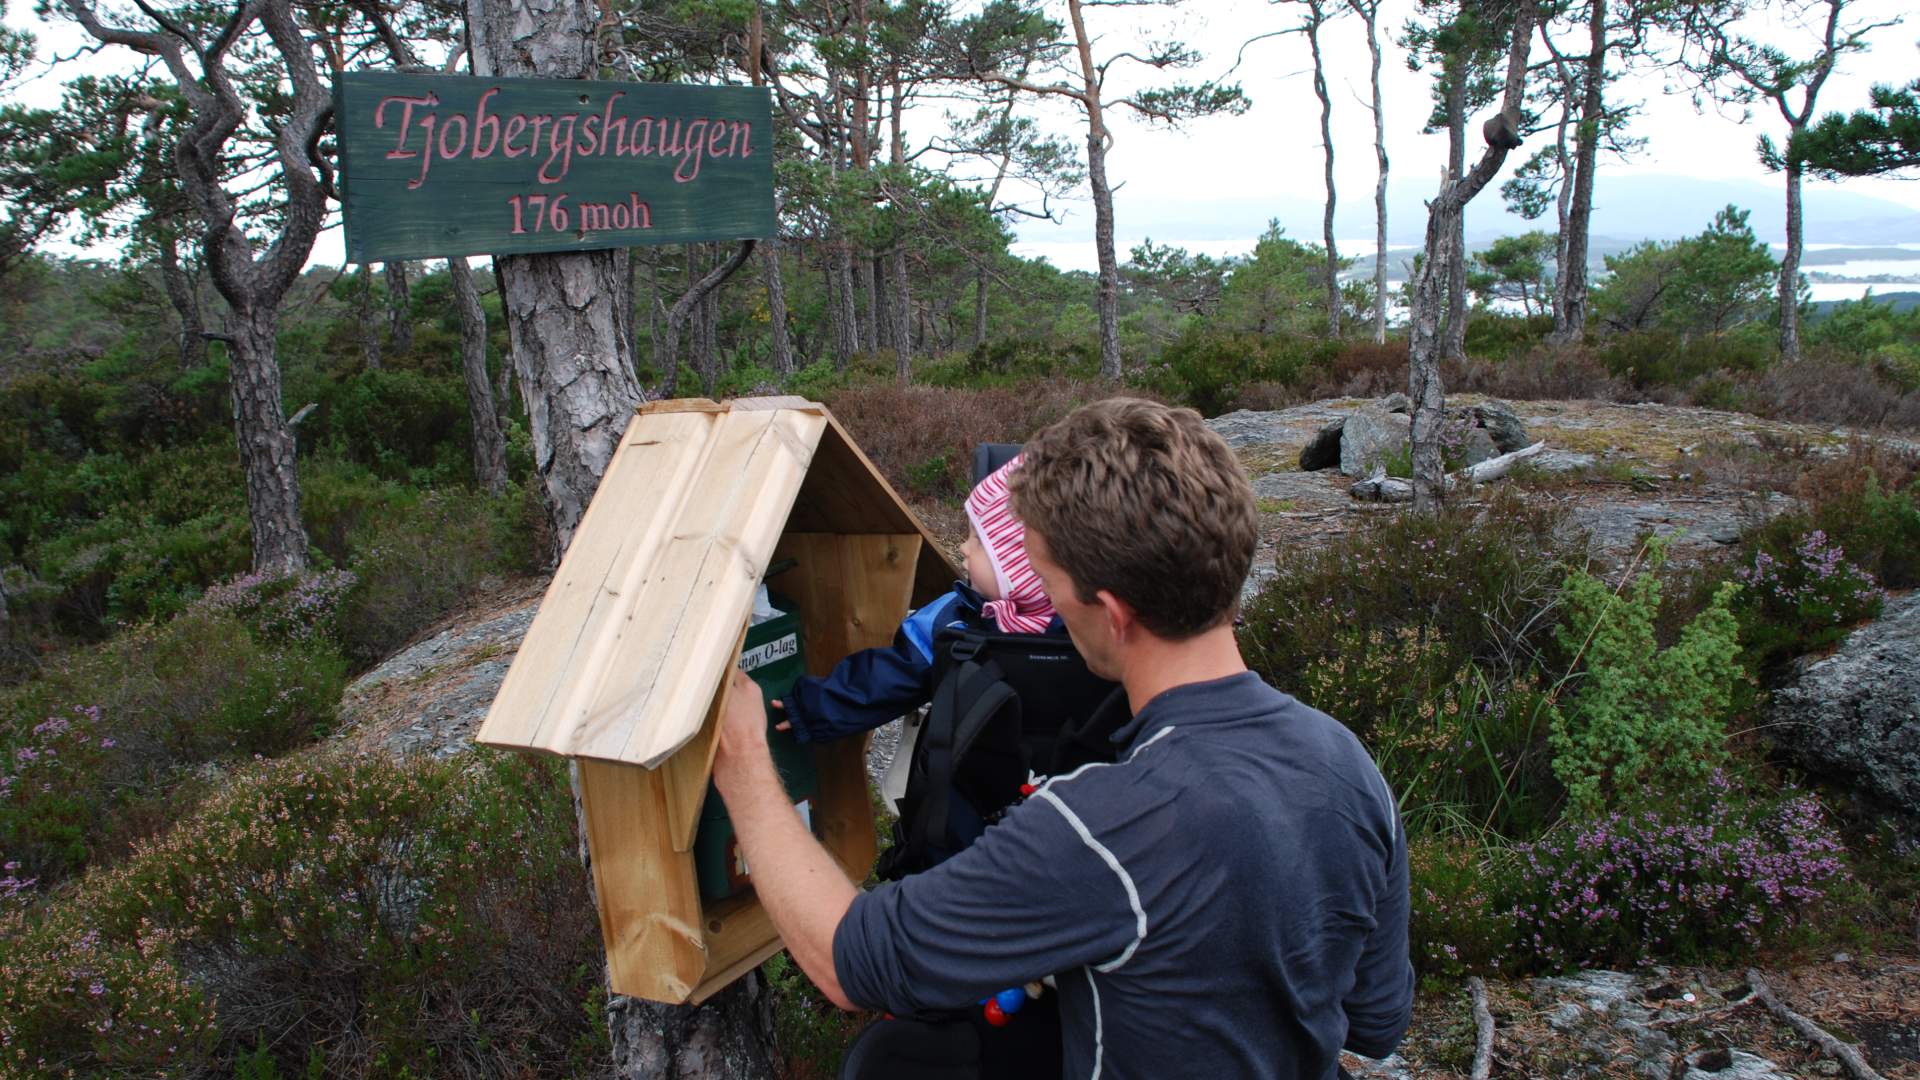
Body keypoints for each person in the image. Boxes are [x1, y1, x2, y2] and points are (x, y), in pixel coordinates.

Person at [712, 398, 1413, 1079]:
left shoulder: (1099, 826)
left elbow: (849, 963)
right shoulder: (1348, 765)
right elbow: (1375, 1020)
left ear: (1110, 610)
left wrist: (745, 763)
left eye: (1047, 583)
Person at [772, 452, 1061, 746]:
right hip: (972, 770)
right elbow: (889, 678)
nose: (964, 548)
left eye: (979, 542)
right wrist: (811, 707)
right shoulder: (957, 619)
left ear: (1020, 565)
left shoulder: (1081, 628)